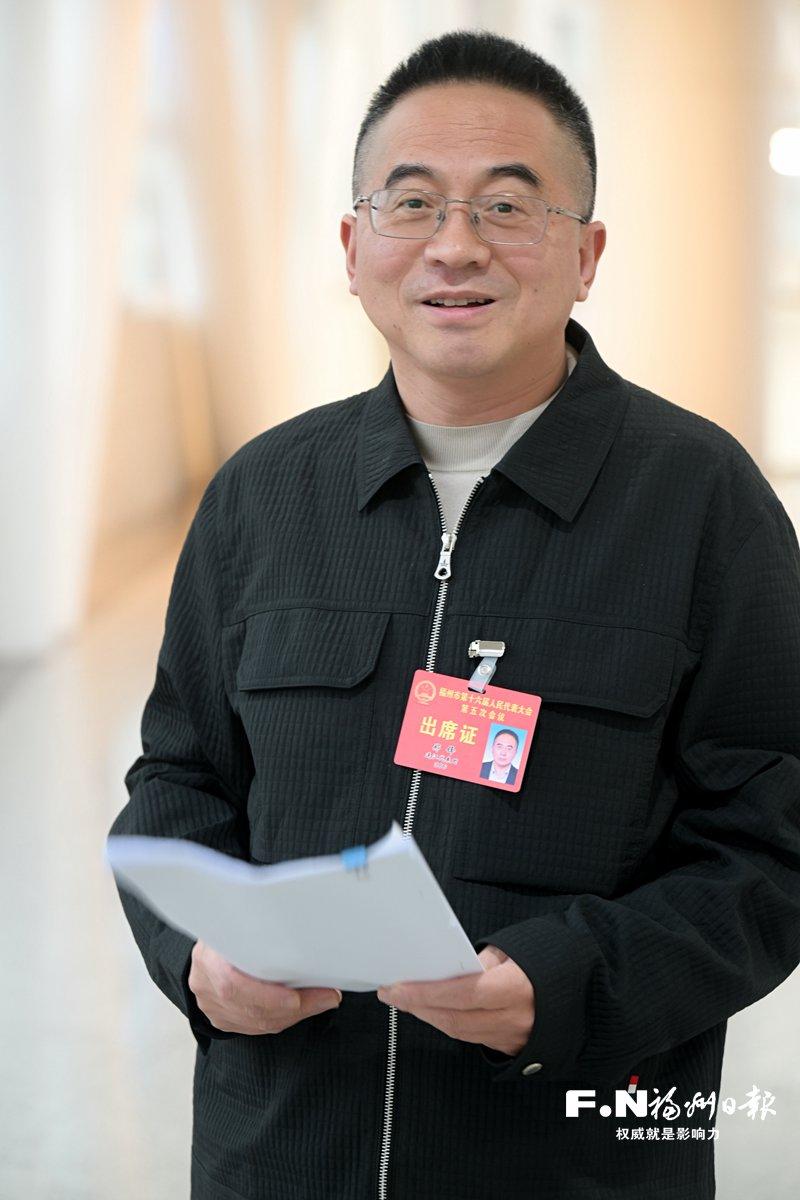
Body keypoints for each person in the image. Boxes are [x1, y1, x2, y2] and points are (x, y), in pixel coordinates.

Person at [108, 28, 800, 1200]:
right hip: (281, 1150)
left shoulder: (699, 504)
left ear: (585, 255)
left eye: (507, 206)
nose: (453, 245)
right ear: (352, 247)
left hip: (570, 1159)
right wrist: (194, 961)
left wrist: (568, 982)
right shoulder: (263, 496)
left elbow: (770, 845)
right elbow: (177, 777)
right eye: (411, 201)